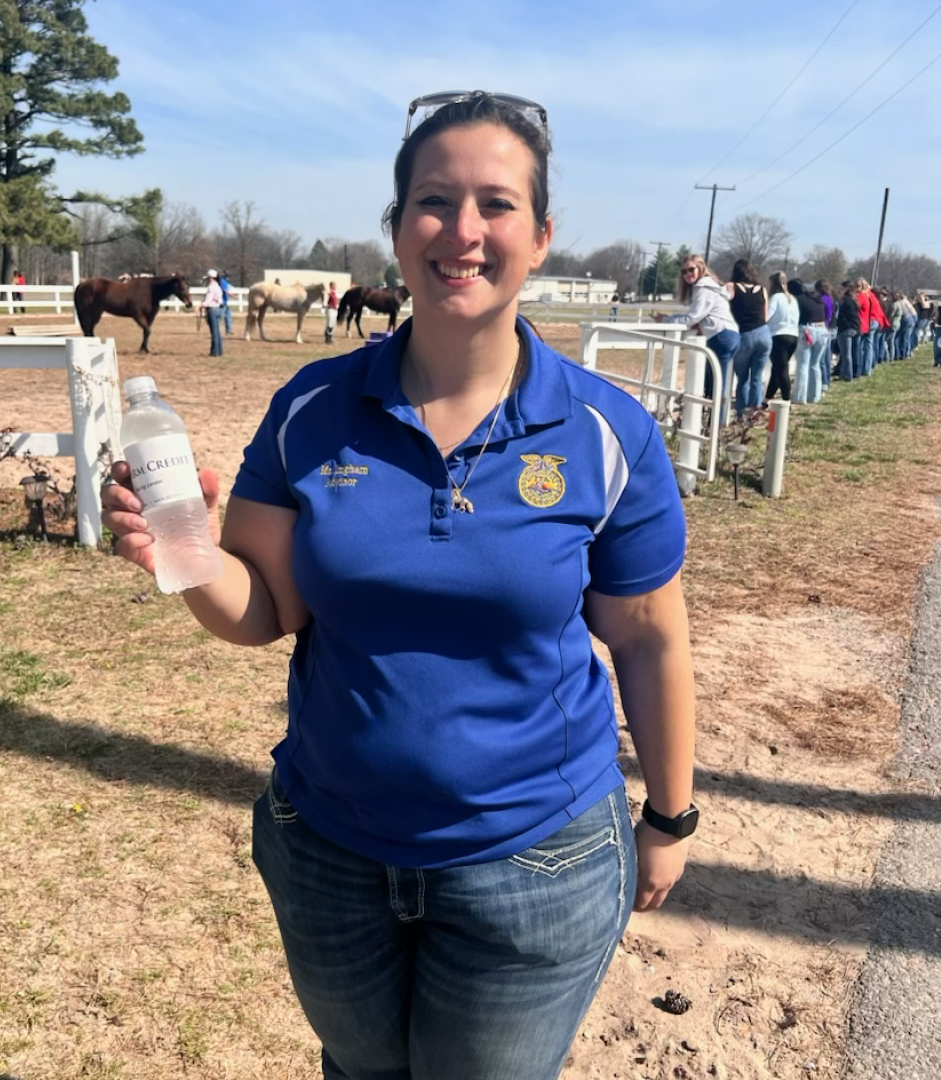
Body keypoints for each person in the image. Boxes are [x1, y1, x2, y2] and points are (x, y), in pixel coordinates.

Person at [101, 89, 697, 1080]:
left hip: (536, 861)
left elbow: (647, 641)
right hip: (331, 854)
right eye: (433, 201)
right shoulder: (313, 408)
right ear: (397, 229)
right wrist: (194, 558)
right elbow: (269, 608)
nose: (464, 230)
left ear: (542, 236)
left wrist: (670, 818)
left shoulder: (605, 433)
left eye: (496, 204)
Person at [656, 254, 739, 426]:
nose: (688, 274)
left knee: (718, 386)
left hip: (721, 336)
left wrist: (666, 320)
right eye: (684, 271)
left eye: (691, 269)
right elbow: (697, 317)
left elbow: (692, 317)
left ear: (701, 268)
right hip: (727, 335)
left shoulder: (703, 287)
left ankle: (717, 426)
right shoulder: (709, 286)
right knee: (714, 382)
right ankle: (712, 423)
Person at [727, 260, 770, 418]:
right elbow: (765, 316)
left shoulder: (731, 287)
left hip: (744, 334)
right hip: (764, 334)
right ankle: (755, 411)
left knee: (743, 378)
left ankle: (741, 413)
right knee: (757, 377)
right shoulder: (762, 290)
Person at [788, 278, 827, 404]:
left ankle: (799, 397)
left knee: (802, 365)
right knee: (815, 365)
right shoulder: (815, 298)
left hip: (807, 330)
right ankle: (815, 395)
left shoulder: (797, 300)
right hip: (823, 330)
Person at [765, 271, 798, 401]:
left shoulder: (776, 298)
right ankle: (767, 398)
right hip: (793, 335)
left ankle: (786, 399)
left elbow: (767, 316)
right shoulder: (792, 299)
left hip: (779, 336)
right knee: (778, 369)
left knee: (782, 370)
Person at [834, 281, 860, 381]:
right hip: (855, 327)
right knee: (852, 353)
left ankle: (847, 375)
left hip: (846, 328)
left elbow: (839, 314)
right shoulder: (854, 299)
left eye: (841, 288)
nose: (839, 290)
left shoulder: (844, 300)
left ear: (846, 289)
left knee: (846, 354)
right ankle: (851, 373)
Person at [199, 269, 224, 357]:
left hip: (212, 309)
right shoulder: (218, 287)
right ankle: (219, 350)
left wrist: (202, 305)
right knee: (217, 331)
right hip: (218, 309)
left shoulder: (211, 287)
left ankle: (214, 352)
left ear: (210, 278)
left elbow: (208, 300)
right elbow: (221, 300)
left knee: (214, 331)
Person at [219, 270, 233, 334]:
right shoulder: (222, 282)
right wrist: (234, 296)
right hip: (222, 302)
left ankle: (229, 330)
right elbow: (225, 291)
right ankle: (217, 329)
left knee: (228, 315)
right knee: (220, 316)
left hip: (225, 302)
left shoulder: (224, 282)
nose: (229, 277)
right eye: (228, 276)